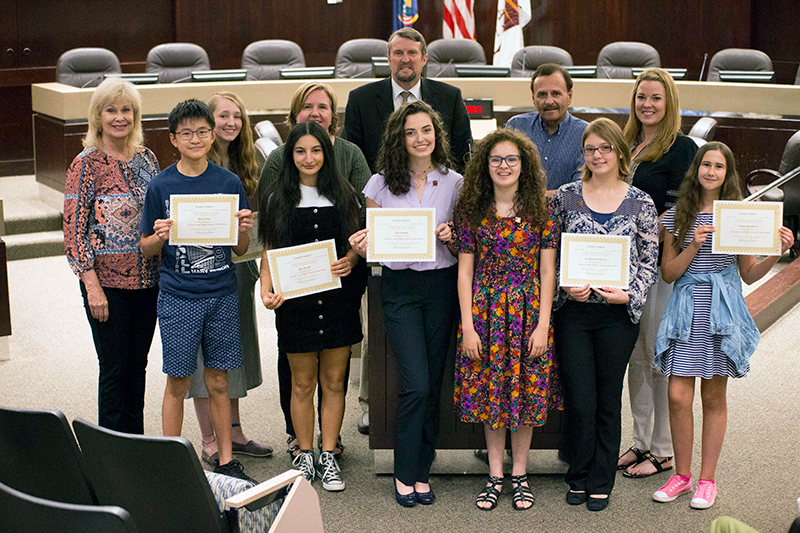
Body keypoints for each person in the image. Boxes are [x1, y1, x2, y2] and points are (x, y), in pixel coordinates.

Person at [651, 142, 794, 509]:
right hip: (686, 311)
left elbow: (748, 275)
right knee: (677, 395)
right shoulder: (675, 217)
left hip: (721, 313)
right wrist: (693, 246)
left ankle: (707, 480)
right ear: (696, 169)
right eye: (706, 164)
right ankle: (681, 476)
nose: (711, 172)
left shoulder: (738, 214)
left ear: (728, 173)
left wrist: (775, 252)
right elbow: (668, 274)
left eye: (719, 166)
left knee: (713, 397)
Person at [349, 100, 461, 508]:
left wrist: (452, 235)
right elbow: (372, 244)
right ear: (400, 137)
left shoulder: (456, 182)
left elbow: (465, 240)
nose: (420, 138)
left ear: (437, 134)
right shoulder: (379, 184)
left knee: (432, 384)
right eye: (411, 132)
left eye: (426, 130)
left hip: (441, 286)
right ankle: (403, 471)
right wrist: (361, 245)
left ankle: (422, 469)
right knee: (414, 383)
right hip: (397, 290)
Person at [139, 99, 255, 483]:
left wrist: (242, 228)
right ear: (173, 139)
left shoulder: (228, 182)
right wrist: (158, 237)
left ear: (211, 135)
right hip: (178, 295)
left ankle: (224, 459)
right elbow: (145, 247)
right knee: (178, 381)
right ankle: (170, 462)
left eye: (202, 131)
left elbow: (239, 249)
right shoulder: (161, 184)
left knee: (219, 381)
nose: (195, 138)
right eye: (186, 132)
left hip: (221, 292)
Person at [551, 118, 659, 511]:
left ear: (620, 152)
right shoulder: (564, 197)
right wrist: (564, 283)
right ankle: (577, 473)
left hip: (618, 316)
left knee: (607, 399)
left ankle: (601, 479)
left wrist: (629, 294)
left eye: (605, 148)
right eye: (590, 149)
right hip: (574, 313)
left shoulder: (640, 201)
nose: (597, 155)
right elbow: (551, 255)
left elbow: (650, 261)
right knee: (579, 398)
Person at [453, 128, 561, 511]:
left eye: (511, 159)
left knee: (527, 392)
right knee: (491, 394)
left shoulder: (540, 211)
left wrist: (544, 323)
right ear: (485, 165)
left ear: (524, 165)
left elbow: (548, 272)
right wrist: (468, 324)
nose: (504, 165)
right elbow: (465, 272)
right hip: (485, 314)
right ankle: (495, 476)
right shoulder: (471, 210)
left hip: (528, 312)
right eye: (496, 159)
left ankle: (520, 475)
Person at [259, 82, 371, 450]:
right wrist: (266, 287)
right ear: (291, 153)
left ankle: (330, 448)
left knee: (335, 380)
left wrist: (352, 258)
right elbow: (270, 248)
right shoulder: (279, 194)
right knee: (301, 381)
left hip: (339, 297)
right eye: (302, 151)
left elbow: (362, 234)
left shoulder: (345, 191)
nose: (309, 158)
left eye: (317, 151)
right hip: (297, 300)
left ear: (329, 151)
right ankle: (303, 447)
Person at [63, 77, 160, 435]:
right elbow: (73, 232)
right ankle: (113, 456)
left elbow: (159, 211)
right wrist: (92, 286)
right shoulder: (86, 164)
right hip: (106, 286)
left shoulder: (147, 158)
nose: (120, 118)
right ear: (98, 116)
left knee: (138, 366)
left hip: (148, 281)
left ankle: (136, 444)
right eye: (111, 110)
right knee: (115, 369)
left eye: (127, 111)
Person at [617, 68, 699, 479]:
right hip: (622, 265)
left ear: (669, 104)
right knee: (635, 357)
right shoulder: (626, 144)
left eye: (655, 98)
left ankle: (665, 449)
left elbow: (680, 207)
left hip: (657, 265)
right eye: (640, 97)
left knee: (658, 355)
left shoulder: (681, 148)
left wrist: (643, 233)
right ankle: (641, 441)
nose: (646, 104)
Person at [185, 91, 272, 466]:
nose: (231, 123)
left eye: (237, 116)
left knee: (233, 350)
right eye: (223, 116)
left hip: (241, 268)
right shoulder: (194, 163)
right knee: (205, 354)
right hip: (203, 271)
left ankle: (233, 430)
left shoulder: (249, 161)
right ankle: (209, 437)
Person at [343, 27, 472, 174]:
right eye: (398, 53)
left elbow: (462, 156)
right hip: (379, 191)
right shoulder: (360, 100)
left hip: (437, 190)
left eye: (412, 53)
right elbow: (352, 161)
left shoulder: (450, 97)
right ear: (388, 59)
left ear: (424, 59)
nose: (405, 60)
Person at [506, 63, 588, 193]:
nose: (549, 101)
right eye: (542, 95)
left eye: (555, 94)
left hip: (568, 211)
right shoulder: (516, 127)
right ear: (533, 99)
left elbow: (580, 188)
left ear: (569, 97)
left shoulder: (585, 133)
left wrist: (541, 199)